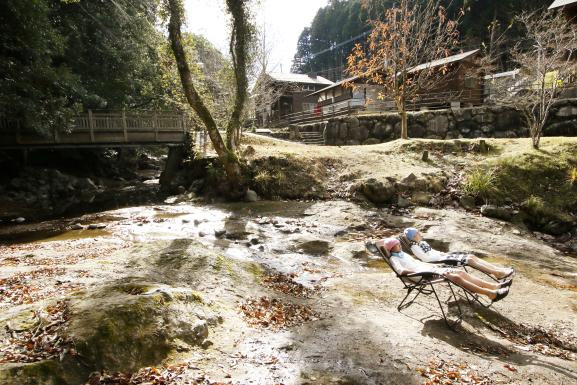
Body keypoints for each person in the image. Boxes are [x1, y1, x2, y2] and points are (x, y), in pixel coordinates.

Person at [376, 238, 510, 302]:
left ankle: (495, 286)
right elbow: (401, 272)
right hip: (421, 275)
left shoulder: (403, 254)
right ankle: (489, 293)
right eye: (397, 245)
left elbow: (417, 262)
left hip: (427, 270)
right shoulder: (395, 259)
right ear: (392, 248)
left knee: (461, 272)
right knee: (456, 278)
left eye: (399, 244)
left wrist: (432, 267)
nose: (400, 245)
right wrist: (425, 272)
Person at [403, 228, 514, 280]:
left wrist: (441, 253)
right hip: (439, 261)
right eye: (417, 233)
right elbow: (426, 259)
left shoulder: (422, 242)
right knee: (469, 260)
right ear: (413, 236)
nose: (420, 233)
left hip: (442, 256)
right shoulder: (415, 247)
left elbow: (432, 251)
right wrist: (441, 256)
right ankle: (496, 273)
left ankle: (498, 270)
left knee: (471, 256)